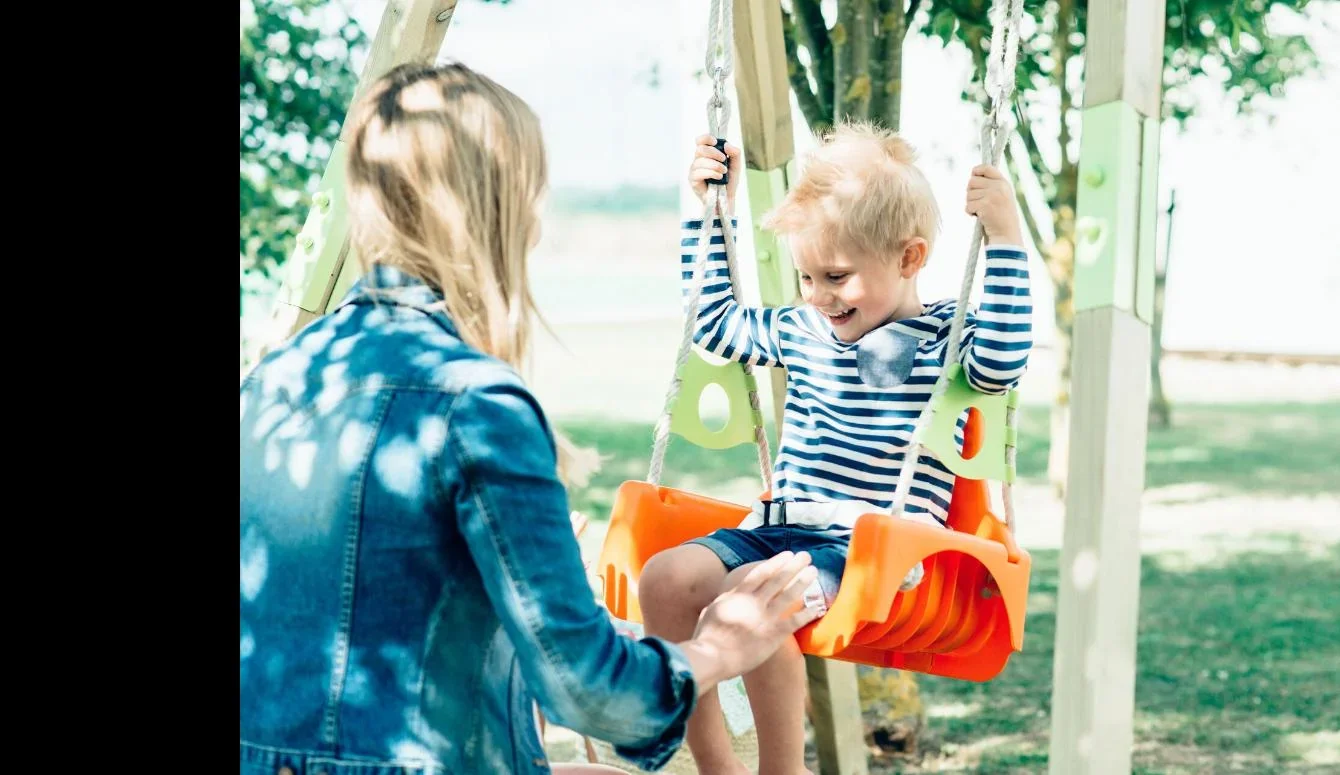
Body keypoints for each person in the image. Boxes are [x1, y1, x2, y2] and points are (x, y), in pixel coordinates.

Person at [239, 62, 823, 775]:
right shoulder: (476, 406)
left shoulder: (274, 379)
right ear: (496, 209)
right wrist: (718, 647)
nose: (538, 227)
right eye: (532, 200)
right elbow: (589, 691)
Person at [637, 123, 1033, 775]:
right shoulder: (801, 327)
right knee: (665, 578)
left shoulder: (944, 335)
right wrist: (711, 215)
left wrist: (1007, 239)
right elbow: (711, 325)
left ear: (908, 258)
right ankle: (714, 763)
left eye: (836, 276)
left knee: (746, 602)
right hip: (777, 527)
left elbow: (999, 362)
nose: (818, 296)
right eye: (805, 277)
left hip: (875, 547)